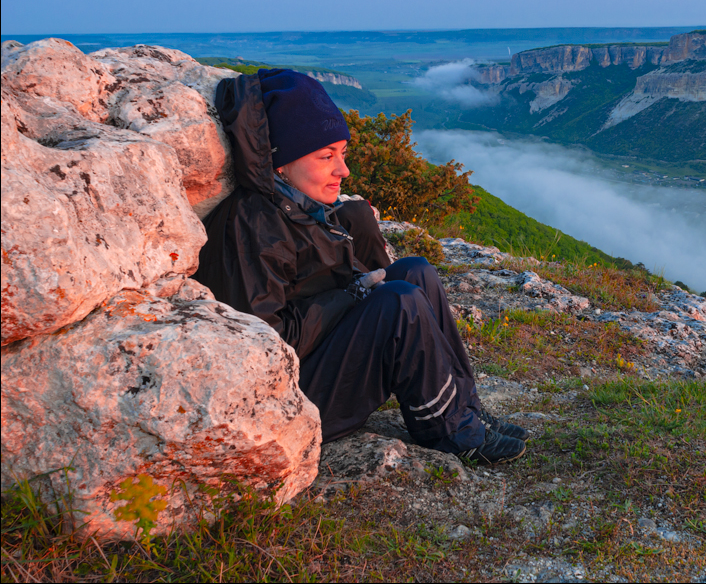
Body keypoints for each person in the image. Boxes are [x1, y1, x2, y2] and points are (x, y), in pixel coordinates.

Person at [194, 68, 527, 464]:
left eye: (343, 153)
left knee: (415, 271)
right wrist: (349, 297)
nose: (343, 170)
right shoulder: (252, 224)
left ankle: (465, 408)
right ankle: (453, 432)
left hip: (315, 360)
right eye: (326, 156)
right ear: (280, 162)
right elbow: (266, 344)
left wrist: (353, 239)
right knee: (397, 301)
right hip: (285, 400)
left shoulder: (297, 207)